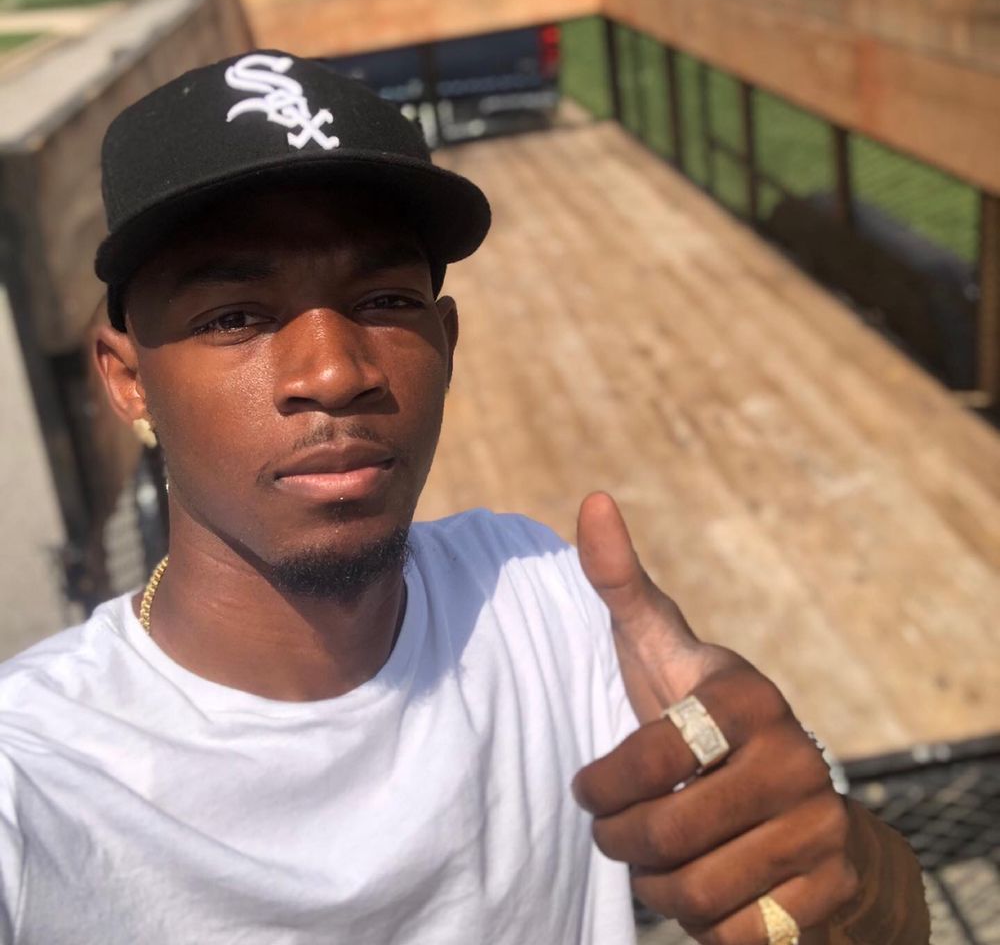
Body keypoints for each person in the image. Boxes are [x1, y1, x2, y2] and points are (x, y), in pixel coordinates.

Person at [0, 51, 928, 944]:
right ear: (129, 381)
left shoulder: (545, 602)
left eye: (384, 302)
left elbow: (876, 913)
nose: (335, 371)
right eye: (235, 316)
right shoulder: (36, 772)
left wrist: (827, 869)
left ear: (447, 340)